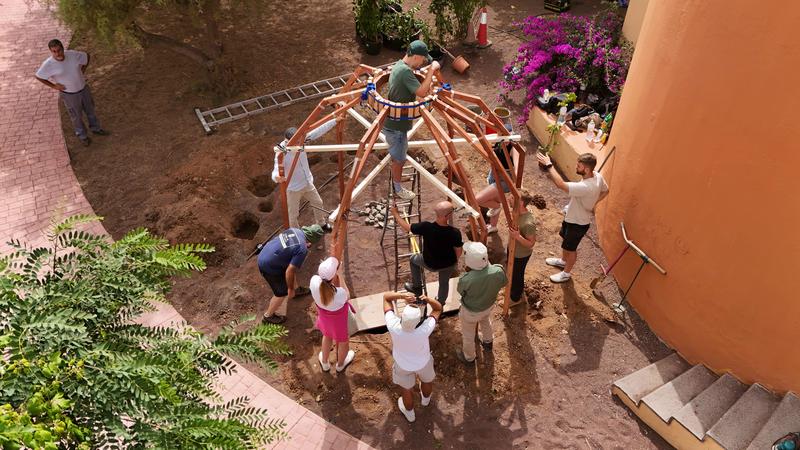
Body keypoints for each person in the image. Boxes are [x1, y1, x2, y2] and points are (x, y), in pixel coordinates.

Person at [536, 152, 609, 283]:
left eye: (578, 165)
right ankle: (563, 261)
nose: (576, 167)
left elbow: (560, 184)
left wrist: (549, 165)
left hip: (578, 223)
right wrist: (594, 204)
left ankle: (566, 274)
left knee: (571, 249)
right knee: (565, 241)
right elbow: (606, 190)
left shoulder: (586, 186)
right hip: (571, 216)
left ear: (586, 169)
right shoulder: (597, 176)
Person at [383, 40, 441, 200]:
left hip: (391, 122)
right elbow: (422, 92)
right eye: (423, 60)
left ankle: (397, 179)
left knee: (398, 155)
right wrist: (432, 71)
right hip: (397, 127)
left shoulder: (399, 66)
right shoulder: (406, 73)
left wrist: (426, 70)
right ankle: (398, 188)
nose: (423, 63)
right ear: (416, 57)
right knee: (399, 158)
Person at [272, 114, 341, 228]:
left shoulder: (301, 140)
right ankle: (298, 235)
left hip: (307, 182)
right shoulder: (281, 151)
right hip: (293, 188)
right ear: (287, 140)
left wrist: (335, 121)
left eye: (300, 141)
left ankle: (322, 224)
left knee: (318, 203)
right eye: (296, 142)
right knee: (293, 215)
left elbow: (318, 131)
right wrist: (277, 177)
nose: (300, 143)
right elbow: (276, 168)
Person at [383, 291, 442, 423]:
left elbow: (386, 298)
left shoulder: (393, 325)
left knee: (406, 389)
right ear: (418, 320)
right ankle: (425, 400)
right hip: (423, 362)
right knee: (426, 381)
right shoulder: (424, 329)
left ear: (402, 317)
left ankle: (410, 414)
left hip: (402, 365)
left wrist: (401, 296)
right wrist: (428, 299)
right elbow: (438, 308)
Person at [34, 39, 107, 147]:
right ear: (51, 51)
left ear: (63, 48)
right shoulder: (48, 64)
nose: (57, 53)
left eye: (59, 50)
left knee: (90, 110)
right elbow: (39, 76)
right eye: (54, 51)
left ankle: (96, 128)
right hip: (69, 95)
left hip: (83, 89)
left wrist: (82, 70)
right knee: (76, 116)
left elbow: (86, 56)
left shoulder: (72, 54)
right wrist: (54, 86)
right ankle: (82, 136)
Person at [390, 200, 463, 303]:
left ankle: (417, 287)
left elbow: (407, 227)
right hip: (448, 264)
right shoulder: (455, 233)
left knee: (413, 259)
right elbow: (458, 252)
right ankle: (440, 304)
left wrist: (395, 214)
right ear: (447, 216)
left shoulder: (426, 227)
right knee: (444, 283)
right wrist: (452, 263)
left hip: (430, 263)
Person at [257, 224, 328, 324]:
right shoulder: (302, 249)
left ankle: (297, 290)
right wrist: (290, 289)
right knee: (281, 293)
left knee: (292, 265)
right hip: (268, 266)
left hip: (266, 253)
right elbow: (290, 271)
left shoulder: (294, 230)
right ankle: (268, 316)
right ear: (312, 240)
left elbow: (291, 265)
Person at [455, 242, 507, 364]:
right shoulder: (498, 270)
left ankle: (469, 357)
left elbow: (460, 292)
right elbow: (503, 283)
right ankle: (488, 342)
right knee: (485, 321)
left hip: (471, 312)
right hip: (488, 306)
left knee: (468, 335)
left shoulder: (466, 279)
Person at [310, 257, 356, 372]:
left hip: (325, 318)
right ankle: (340, 365)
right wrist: (340, 275)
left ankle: (325, 362)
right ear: (334, 275)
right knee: (343, 342)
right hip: (339, 321)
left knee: (327, 336)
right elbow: (347, 295)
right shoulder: (339, 294)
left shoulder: (314, 281)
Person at [475, 124, 515, 234]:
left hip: (504, 180)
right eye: (502, 134)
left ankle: (497, 207)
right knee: (496, 199)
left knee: (477, 200)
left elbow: (517, 167)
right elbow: (480, 138)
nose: (506, 138)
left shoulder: (513, 148)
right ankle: (493, 226)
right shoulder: (498, 140)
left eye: (508, 135)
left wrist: (517, 187)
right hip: (494, 174)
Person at [505, 189, 537, 308]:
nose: (509, 198)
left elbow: (531, 243)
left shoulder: (528, 223)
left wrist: (517, 236)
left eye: (512, 198)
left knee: (517, 275)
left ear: (522, 203)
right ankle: (514, 290)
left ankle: (515, 298)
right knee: (512, 272)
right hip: (513, 249)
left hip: (520, 255)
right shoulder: (518, 212)